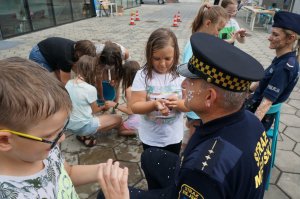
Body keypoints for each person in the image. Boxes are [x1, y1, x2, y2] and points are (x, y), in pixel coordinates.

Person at [97, 33, 271, 199]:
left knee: (104, 195)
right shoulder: (252, 122)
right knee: (150, 156)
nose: (184, 84)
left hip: (194, 187)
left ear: (209, 97)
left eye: (191, 81)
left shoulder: (203, 170)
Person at [0, 58, 102, 198]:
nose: (62, 138)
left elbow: (67, 172)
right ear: (4, 140)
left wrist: (104, 170)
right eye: (49, 135)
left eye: (62, 129)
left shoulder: (44, 150)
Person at [130, 28, 187, 155]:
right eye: (156, 58)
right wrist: (153, 104)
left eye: (167, 58)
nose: (162, 64)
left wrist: (178, 104)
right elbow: (135, 106)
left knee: (172, 168)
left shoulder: (181, 75)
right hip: (150, 137)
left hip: (174, 137)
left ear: (175, 54)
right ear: (149, 55)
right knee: (152, 170)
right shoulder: (142, 75)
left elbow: (188, 105)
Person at [246, 11, 300, 130]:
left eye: (275, 35)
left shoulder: (285, 67)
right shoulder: (282, 58)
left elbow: (266, 103)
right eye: (271, 33)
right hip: (252, 105)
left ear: (290, 38)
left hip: (256, 114)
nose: (269, 37)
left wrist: (250, 129)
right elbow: (264, 80)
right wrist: (246, 90)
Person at [182, 3, 228, 139]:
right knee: (195, 139)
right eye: (218, 29)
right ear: (208, 23)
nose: (218, 34)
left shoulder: (202, 43)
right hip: (196, 101)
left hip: (201, 100)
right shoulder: (194, 46)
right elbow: (189, 74)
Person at [65, 55, 122, 147]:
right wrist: (105, 106)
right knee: (118, 119)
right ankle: (86, 134)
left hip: (68, 125)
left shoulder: (68, 83)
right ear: (92, 70)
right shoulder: (90, 89)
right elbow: (95, 110)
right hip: (82, 126)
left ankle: (83, 135)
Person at [29, 37, 96, 85]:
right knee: (47, 82)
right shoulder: (66, 58)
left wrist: (85, 79)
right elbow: (66, 81)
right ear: (79, 54)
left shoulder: (77, 47)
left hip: (52, 54)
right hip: (39, 55)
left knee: (59, 79)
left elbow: (75, 68)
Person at [104, 60, 141, 136]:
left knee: (120, 131)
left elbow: (130, 111)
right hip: (144, 117)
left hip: (137, 120)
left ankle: (138, 132)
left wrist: (114, 104)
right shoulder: (141, 85)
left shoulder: (129, 90)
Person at [95, 41, 124, 107]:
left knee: (116, 84)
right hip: (103, 62)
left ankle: (115, 104)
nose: (109, 67)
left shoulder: (123, 53)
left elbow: (121, 74)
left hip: (116, 64)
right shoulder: (98, 53)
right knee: (104, 81)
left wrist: (116, 81)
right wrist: (101, 98)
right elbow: (98, 81)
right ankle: (106, 97)